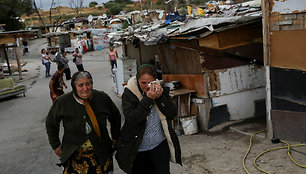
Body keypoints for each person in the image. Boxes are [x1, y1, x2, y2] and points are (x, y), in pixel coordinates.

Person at [46, 71, 121, 174]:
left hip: (101, 152)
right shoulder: (63, 102)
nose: (85, 88)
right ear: (74, 86)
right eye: (80, 85)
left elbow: (115, 116)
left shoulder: (102, 98)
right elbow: (51, 123)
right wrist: (55, 145)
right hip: (74, 154)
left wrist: (115, 136)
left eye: (88, 84)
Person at [115, 64, 182, 174]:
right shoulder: (129, 94)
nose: (147, 86)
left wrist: (160, 98)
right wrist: (149, 99)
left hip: (159, 146)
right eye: (143, 83)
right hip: (138, 149)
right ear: (137, 80)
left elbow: (172, 114)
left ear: (155, 80)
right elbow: (133, 119)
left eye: (150, 82)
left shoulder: (159, 90)